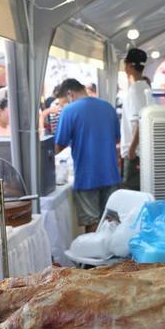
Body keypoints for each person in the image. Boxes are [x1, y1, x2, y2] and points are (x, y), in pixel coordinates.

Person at [54, 79, 121, 232]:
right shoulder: (108, 107)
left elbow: (59, 145)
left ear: (70, 94)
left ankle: (95, 255)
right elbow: (117, 138)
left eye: (63, 102)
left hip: (86, 176)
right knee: (112, 221)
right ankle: (113, 255)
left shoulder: (69, 111)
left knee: (92, 222)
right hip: (111, 173)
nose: (63, 106)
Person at [120, 48, 149, 191]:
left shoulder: (135, 90)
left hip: (135, 154)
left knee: (132, 192)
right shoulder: (145, 87)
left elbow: (140, 122)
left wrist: (131, 149)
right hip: (141, 152)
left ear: (130, 66)